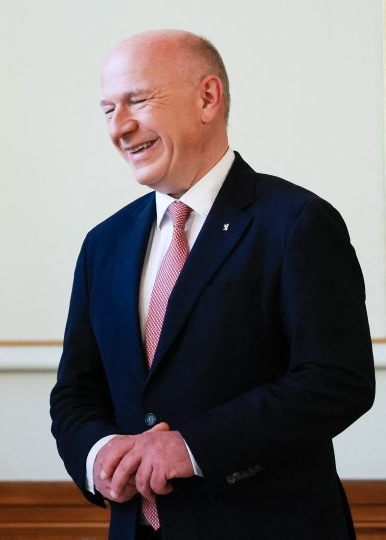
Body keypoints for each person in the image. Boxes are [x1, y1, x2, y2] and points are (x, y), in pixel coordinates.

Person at [50, 29, 375, 539]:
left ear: (207, 98)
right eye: (108, 110)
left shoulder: (297, 223)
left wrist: (192, 447)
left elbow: (337, 379)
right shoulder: (103, 244)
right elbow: (75, 392)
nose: (120, 127)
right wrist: (98, 455)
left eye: (138, 100)